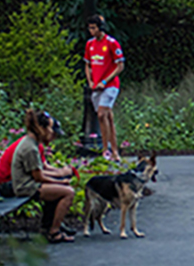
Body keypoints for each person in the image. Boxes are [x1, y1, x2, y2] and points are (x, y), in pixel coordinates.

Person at [10, 109, 76, 243]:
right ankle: (54, 232)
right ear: (41, 128)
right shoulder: (30, 148)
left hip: (29, 183)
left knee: (60, 188)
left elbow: (40, 172)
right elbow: (38, 177)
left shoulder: (30, 143)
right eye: (50, 128)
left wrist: (59, 178)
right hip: (25, 187)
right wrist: (61, 182)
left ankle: (48, 226)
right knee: (68, 193)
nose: (52, 132)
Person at [84, 14, 125, 162]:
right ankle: (115, 151)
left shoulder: (111, 43)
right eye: (89, 28)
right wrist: (90, 81)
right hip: (96, 86)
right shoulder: (90, 44)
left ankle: (105, 149)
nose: (91, 31)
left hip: (110, 85)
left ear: (100, 28)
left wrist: (105, 81)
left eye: (93, 28)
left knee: (101, 115)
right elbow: (88, 64)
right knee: (107, 117)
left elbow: (120, 65)